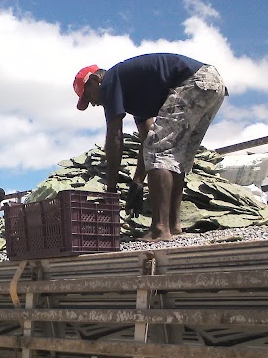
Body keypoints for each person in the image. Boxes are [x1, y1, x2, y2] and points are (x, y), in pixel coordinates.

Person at [73, 53, 226, 241]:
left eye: (88, 96)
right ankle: (173, 226)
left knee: (161, 152)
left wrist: (111, 189)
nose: (93, 103)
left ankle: (160, 229)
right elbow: (147, 140)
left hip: (193, 82)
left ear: (95, 80)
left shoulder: (110, 82)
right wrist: (137, 182)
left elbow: (115, 137)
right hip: (212, 84)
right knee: (174, 155)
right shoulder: (133, 93)